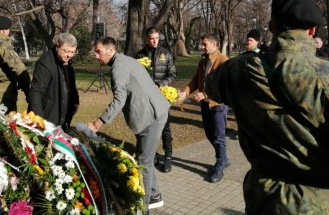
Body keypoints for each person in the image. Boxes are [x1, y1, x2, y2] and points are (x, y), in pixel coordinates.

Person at [205, 0, 329, 215]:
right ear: (312, 30)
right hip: (327, 201)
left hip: (263, 199)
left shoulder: (237, 70)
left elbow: (210, 87)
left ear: (272, 27)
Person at [87, 37, 170, 215]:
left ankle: (143, 208)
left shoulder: (118, 67)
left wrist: (97, 123)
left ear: (110, 50)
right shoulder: (124, 60)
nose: (96, 55)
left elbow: (119, 99)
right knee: (144, 156)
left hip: (151, 117)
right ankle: (154, 194)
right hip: (151, 113)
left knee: (144, 161)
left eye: (98, 51)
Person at [180, 33, 229, 183]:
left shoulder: (223, 61)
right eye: (202, 44)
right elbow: (196, 80)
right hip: (205, 104)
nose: (202, 47)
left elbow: (224, 85)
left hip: (218, 105)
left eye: (204, 44)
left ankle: (220, 164)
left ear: (215, 45)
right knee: (209, 135)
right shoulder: (203, 60)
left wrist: (205, 93)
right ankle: (224, 158)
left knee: (219, 137)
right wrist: (186, 91)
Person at [136, 27, 176, 173]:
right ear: (147, 38)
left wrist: (159, 85)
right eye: (152, 38)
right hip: (146, 99)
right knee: (147, 126)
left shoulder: (166, 53)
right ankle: (151, 155)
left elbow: (172, 75)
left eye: (157, 38)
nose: (155, 41)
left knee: (165, 128)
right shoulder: (140, 55)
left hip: (162, 97)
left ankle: (168, 157)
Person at [27, 33, 79, 130]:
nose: (69, 55)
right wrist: (39, 120)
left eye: (72, 52)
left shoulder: (67, 63)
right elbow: (35, 92)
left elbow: (71, 85)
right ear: (57, 45)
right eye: (66, 51)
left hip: (62, 116)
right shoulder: (45, 63)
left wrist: (75, 101)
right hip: (47, 115)